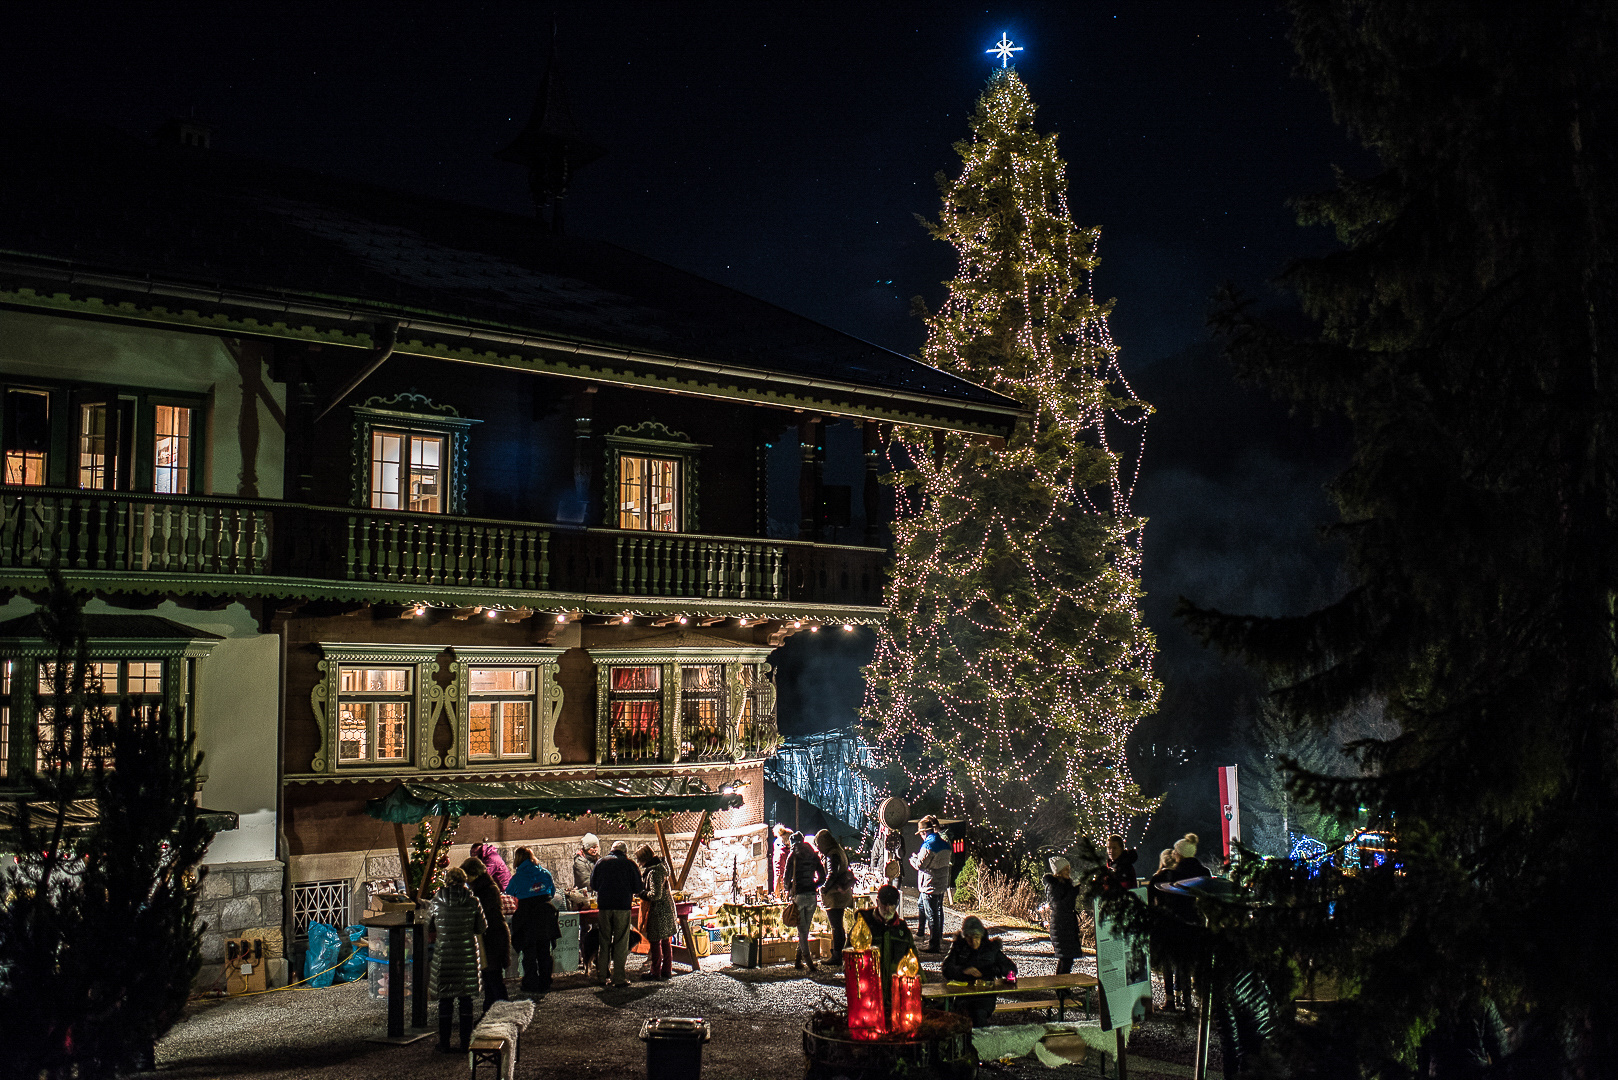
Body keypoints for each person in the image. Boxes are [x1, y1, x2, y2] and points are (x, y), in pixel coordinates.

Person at [430, 866, 484, 1053]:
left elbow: (430, 926)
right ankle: (465, 1042)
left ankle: (444, 1042)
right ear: (464, 880)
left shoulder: (437, 901)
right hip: (466, 955)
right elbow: (481, 928)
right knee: (465, 1000)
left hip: (444, 954)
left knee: (445, 1000)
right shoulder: (473, 901)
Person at [942, 915, 1017, 1027]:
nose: (973, 941)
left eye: (976, 936)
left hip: (984, 996)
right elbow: (946, 969)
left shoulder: (991, 948)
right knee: (959, 1019)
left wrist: (989, 971)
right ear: (965, 937)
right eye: (969, 937)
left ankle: (980, 1042)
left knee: (978, 1016)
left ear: (981, 936)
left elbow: (1011, 968)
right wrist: (963, 971)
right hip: (963, 996)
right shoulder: (959, 947)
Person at [589, 839, 644, 987]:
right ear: (625, 852)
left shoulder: (600, 863)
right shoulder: (630, 864)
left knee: (604, 940)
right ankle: (618, 977)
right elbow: (638, 887)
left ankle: (602, 976)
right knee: (621, 941)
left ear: (612, 849)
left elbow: (593, 885)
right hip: (622, 906)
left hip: (604, 906)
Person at [855, 884, 917, 1010]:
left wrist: (919, 986)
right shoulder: (864, 925)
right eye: (884, 904)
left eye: (892, 904)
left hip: (896, 996)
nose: (888, 908)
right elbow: (849, 957)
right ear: (877, 902)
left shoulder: (903, 930)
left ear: (897, 904)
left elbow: (914, 959)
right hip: (868, 993)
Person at [461, 856, 511, 1012]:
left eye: (467, 876)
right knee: (490, 978)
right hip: (494, 936)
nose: (466, 880)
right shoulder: (486, 888)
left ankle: (502, 1010)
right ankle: (490, 1010)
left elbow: (484, 916)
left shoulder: (485, 891)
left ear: (474, 874)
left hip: (492, 938)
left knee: (493, 977)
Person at [506, 847, 558, 993]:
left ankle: (530, 983)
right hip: (545, 914)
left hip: (527, 916)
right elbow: (552, 892)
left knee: (529, 952)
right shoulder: (545, 873)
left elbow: (509, 891)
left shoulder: (517, 877)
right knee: (544, 950)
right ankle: (545, 982)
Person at [1146, 847, 1185, 1010]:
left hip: (1163, 923)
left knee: (1167, 964)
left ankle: (1169, 1000)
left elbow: (1149, 902)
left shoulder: (1157, 878)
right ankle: (1180, 996)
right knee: (1180, 962)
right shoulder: (1181, 877)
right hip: (1181, 923)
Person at [783, 831, 825, 971]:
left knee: (802, 931)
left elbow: (786, 878)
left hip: (799, 895)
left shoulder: (793, 855)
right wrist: (814, 885)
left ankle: (809, 962)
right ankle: (797, 960)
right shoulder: (813, 854)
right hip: (812, 896)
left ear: (792, 843)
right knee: (805, 929)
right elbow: (822, 877)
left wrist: (788, 889)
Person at [909, 815, 952, 952]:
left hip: (929, 884)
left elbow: (920, 865)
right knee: (933, 908)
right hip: (941, 882)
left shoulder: (928, 845)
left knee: (931, 913)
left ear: (924, 832)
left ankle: (934, 945)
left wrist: (913, 860)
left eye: (921, 833)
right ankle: (935, 937)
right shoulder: (945, 843)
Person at [634, 844, 677, 980]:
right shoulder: (661, 868)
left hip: (658, 911)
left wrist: (641, 893)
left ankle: (656, 972)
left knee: (655, 941)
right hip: (666, 908)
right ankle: (666, 970)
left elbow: (655, 894)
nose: (639, 863)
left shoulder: (653, 872)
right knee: (665, 941)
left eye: (639, 860)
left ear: (644, 859)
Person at [816, 829, 855, 958]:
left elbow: (832, 874)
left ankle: (838, 955)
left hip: (835, 896)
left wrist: (824, 888)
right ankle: (839, 953)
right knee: (838, 926)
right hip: (842, 894)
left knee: (836, 926)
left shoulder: (832, 854)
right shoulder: (839, 851)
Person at [1042, 856, 1082, 975]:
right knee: (1066, 958)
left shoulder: (1065, 884)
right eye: (1065, 869)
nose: (1068, 871)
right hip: (1061, 925)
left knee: (1066, 959)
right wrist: (1073, 892)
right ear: (1058, 872)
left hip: (1066, 924)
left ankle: (1062, 988)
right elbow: (1059, 905)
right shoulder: (1054, 886)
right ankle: (1061, 989)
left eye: (1068, 868)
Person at [771, 823, 793, 897]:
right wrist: (784, 890)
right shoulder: (781, 854)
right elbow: (780, 874)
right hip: (783, 891)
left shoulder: (786, 852)